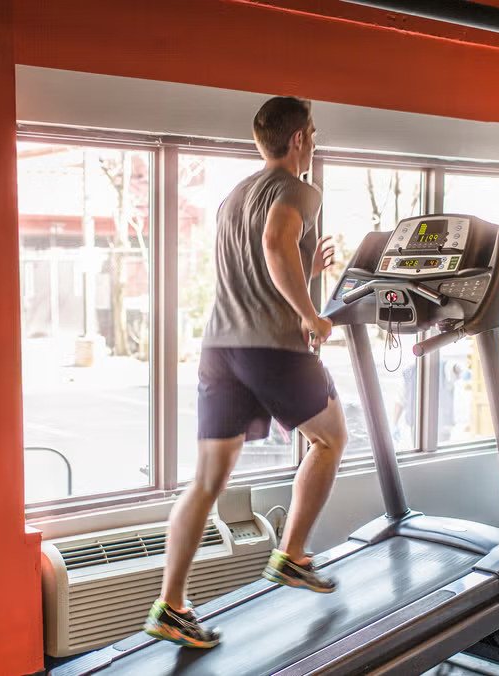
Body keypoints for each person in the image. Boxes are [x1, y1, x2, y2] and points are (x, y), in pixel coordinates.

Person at [143, 96, 348, 648]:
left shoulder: (234, 197)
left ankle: (171, 605)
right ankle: (292, 556)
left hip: (220, 347)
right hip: (269, 347)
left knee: (207, 480)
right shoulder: (299, 188)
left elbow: (260, 266)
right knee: (330, 439)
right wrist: (312, 315)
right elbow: (275, 243)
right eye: (313, 132)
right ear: (300, 139)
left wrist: (309, 267)